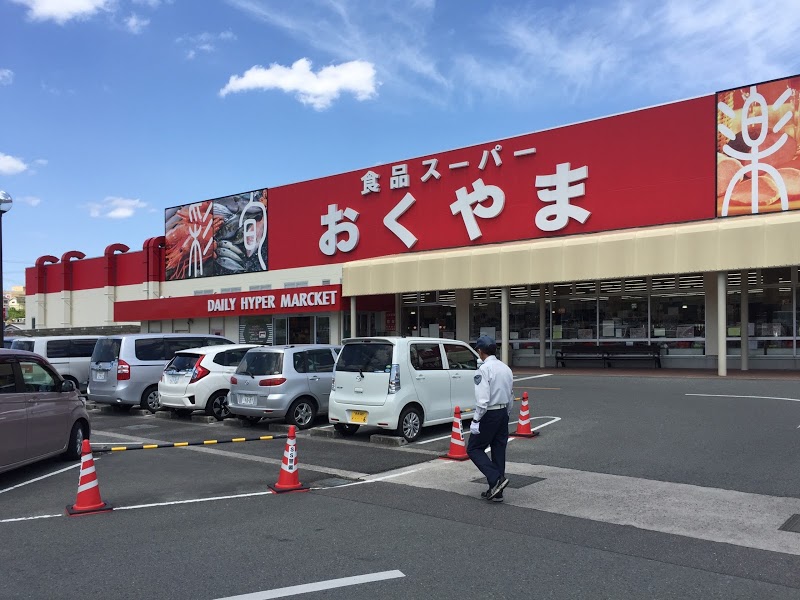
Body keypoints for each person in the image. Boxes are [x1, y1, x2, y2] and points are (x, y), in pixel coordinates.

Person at [467, 335, 514, 502]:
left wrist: (476, 420)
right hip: (503, 413)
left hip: (489, 413)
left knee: (473, 448)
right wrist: (507, 413)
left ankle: (496, 479)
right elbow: (511, 394)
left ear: (480, 351)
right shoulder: (505, 368)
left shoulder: (483, 370)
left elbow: (482, 400)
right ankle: (497, 490)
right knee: (498, 449)